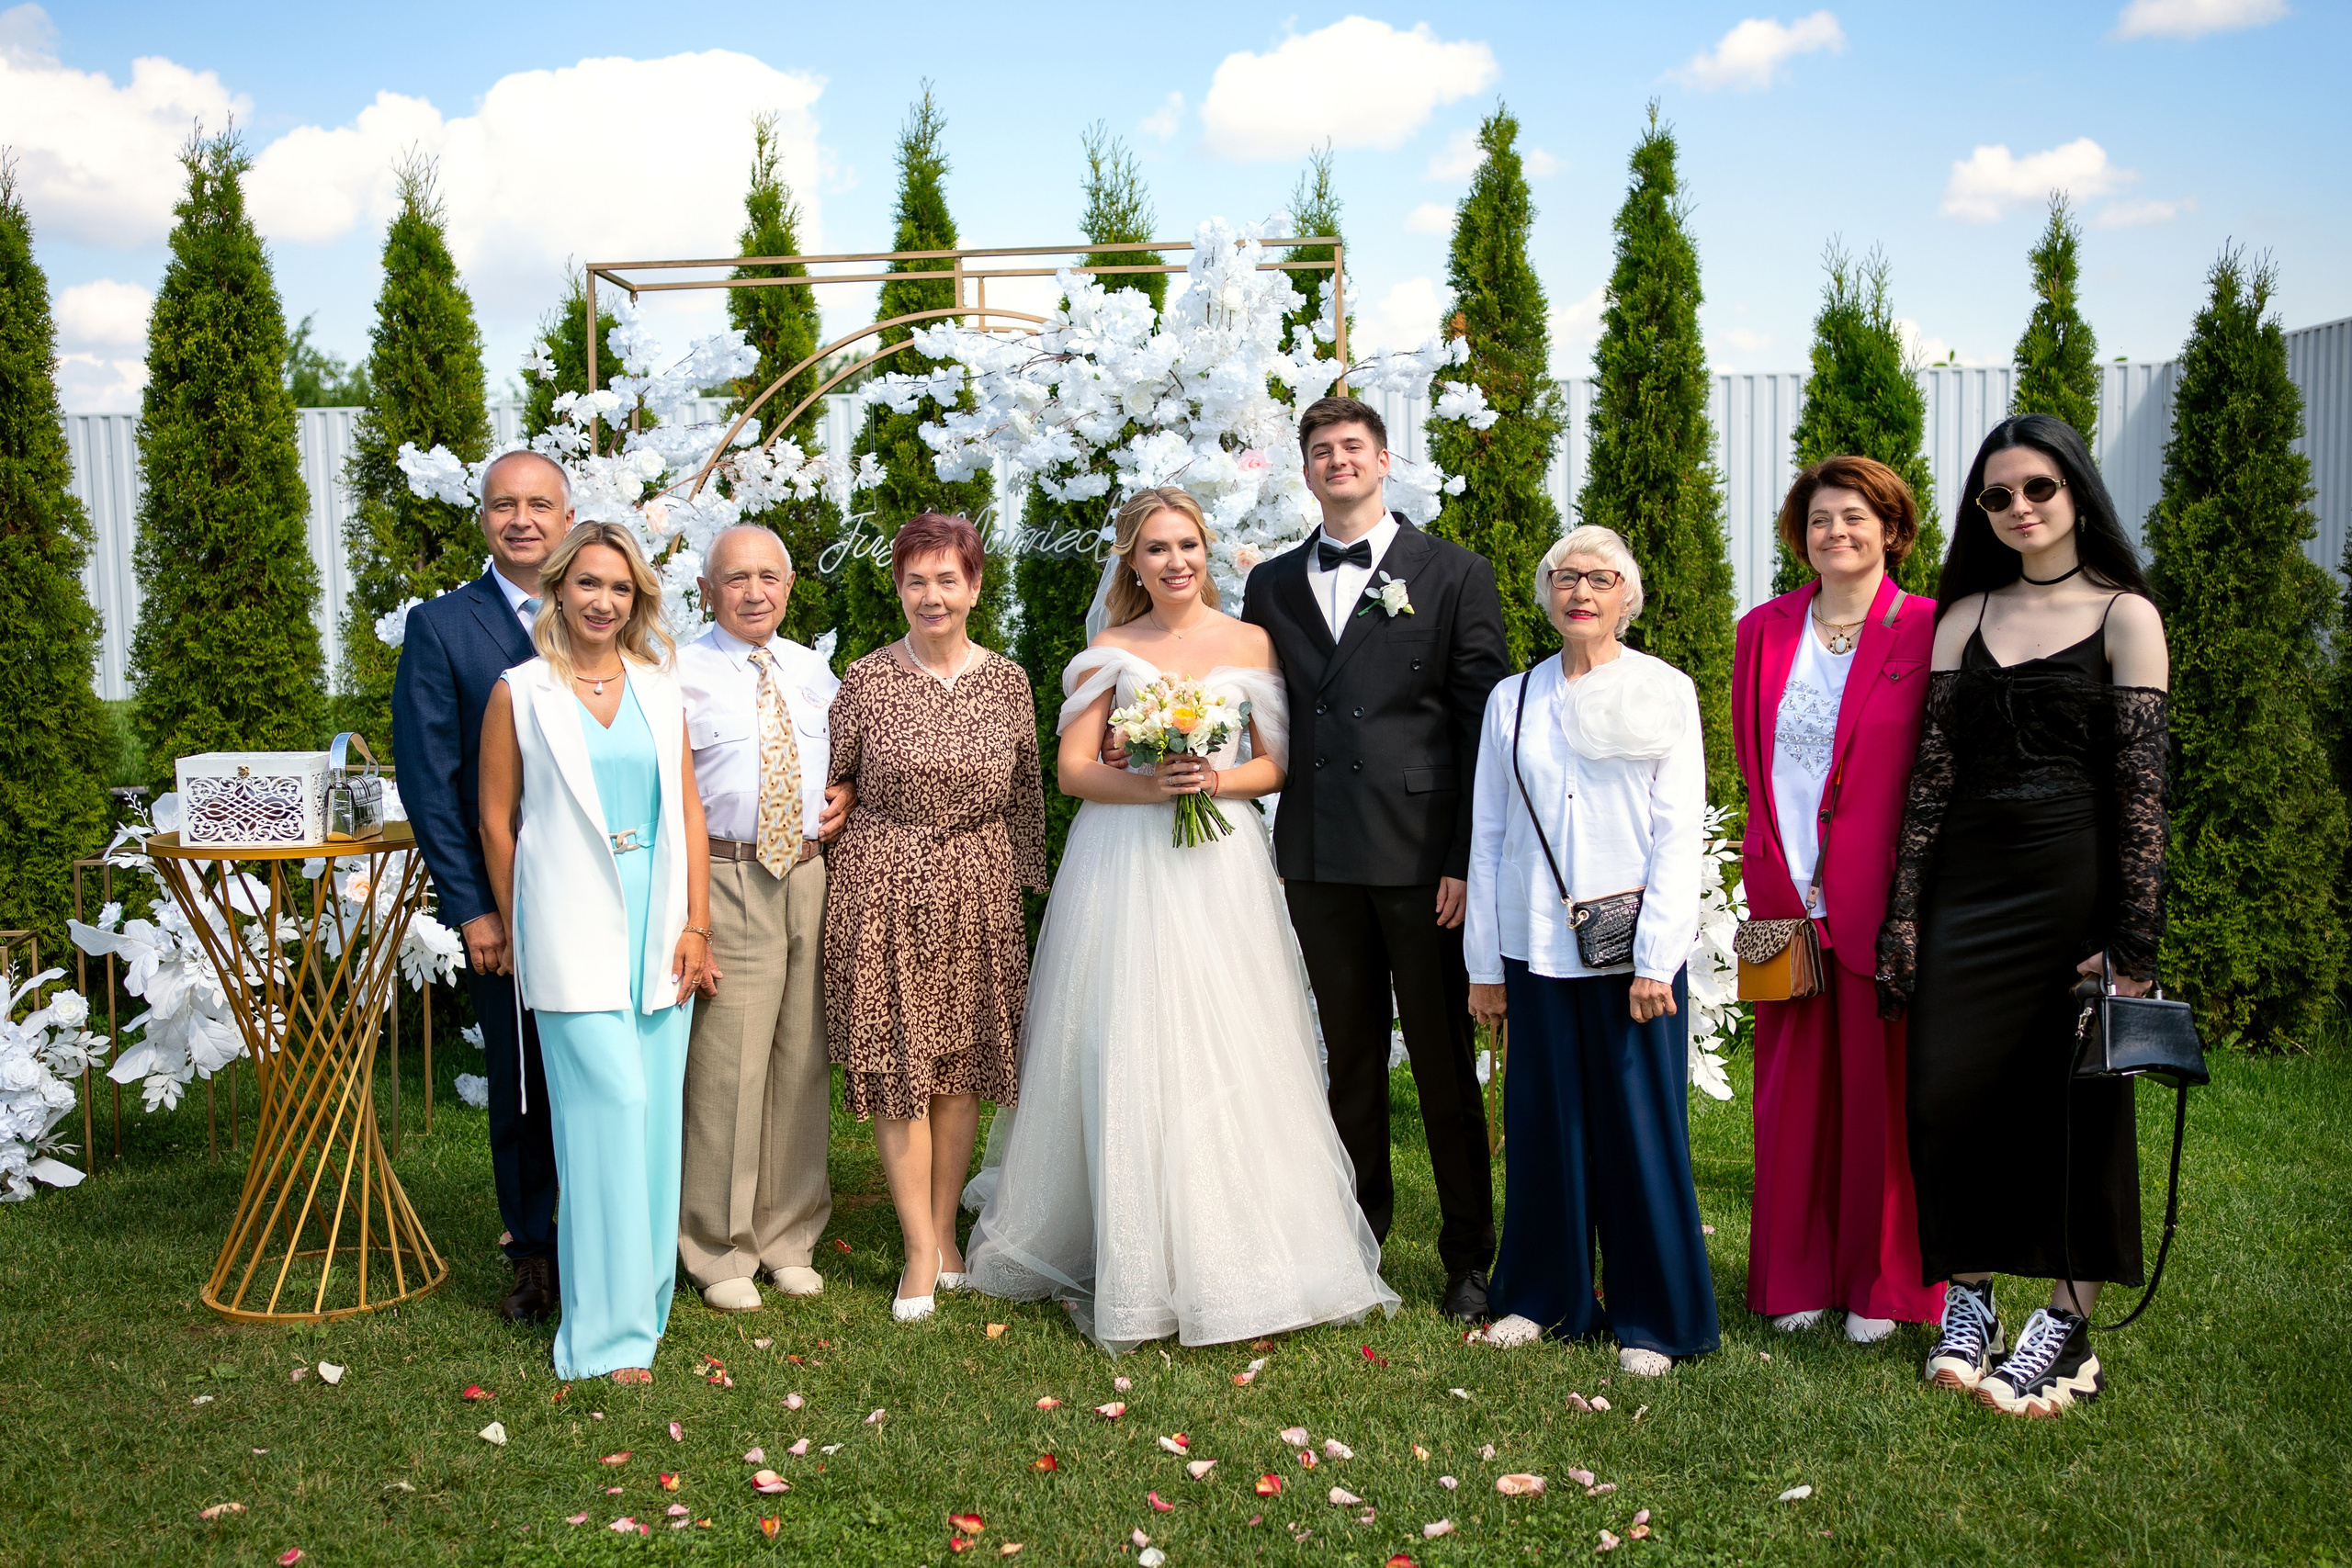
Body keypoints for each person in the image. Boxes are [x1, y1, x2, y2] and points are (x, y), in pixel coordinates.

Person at [962, 488, 1399, 1353]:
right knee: (1128, 1037)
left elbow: (1274, 765)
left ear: (1207, 550)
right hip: (1124, 861)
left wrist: (1209, 780)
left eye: (1188, 545)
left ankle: (1240, 1238)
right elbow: (1077, 769)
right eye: (1156, 549)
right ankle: (1132, 1246)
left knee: (1233, 1035)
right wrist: (1153, 783)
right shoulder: (1114, 647)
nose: (1175, 562)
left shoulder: (1250, 641)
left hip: (1219, 863)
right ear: (1132, 561)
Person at [1877, 413, 2170, 1418]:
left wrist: (2131, 949)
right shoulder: (1963, 616)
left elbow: (2141, 794)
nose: (2017, 510)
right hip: (1967, 887)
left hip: (2072, 889)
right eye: (1996, 496)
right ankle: (1968, 1301)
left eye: (2036, 488)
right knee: (1944, 1098)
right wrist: (1906, 917)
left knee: (2076, 1113)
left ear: (2076, 493)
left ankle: (2065, 1328)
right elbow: (1930, 781)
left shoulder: (2127, 616)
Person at [1239, 395, 1510, 1323]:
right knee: (1345, 1063)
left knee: (1442, 1069)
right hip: (1316, 857)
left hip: (1422, 862)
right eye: (1320, 450)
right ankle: (1355, 1245)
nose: (1336, 461)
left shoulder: (1452, 574)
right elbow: (1256, 706)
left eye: (1351, 446)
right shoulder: (1270, 584)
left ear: (1384, 461)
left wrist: (1466, 859)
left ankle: (1470, 1257)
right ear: (1305, 470)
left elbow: (1482, 729)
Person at [1466, 525, 1718, 1376]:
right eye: (1563, 577)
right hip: (1536, 944)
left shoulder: (1666, 689)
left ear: (1626, 594)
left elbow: (1679, 831)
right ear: (1546, 595)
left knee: (1638, 1129)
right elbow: (1490, 833)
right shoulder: (1514, 698)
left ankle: (1654, 1315)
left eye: (1600, 578)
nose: (1580, 591)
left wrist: (1657, 958)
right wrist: (1484, 965)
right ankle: (1542, 1294)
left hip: (1631, 955)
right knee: (1543, 1122)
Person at [477, 521, 718, 1383]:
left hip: (659, 924)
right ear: (558, 589)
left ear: (638, 599)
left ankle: (642, 1302)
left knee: (651, 1127)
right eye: (588, 585)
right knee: (605, 1114)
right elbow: (496, 823)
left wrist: (696, 924)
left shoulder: (660, 685)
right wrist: (516, 924)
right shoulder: (520, 691)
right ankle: (604, 1338)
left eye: (620, 589)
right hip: (569, 928)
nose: (603, 602)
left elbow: (687, 810)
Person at [1733, 456, 1945, 1345]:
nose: (1836, 534)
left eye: (1855, 518)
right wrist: (1774, 873)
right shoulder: (1761, 629)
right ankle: (1793, 1277)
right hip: (1781, 889)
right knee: (1786, 1097)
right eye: (1820, 520)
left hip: (1883, 903)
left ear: (1891, 529)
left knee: (1882, 1101)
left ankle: (1884, 1287)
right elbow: (1755, 762)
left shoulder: (1929, 628)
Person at [823, 513, 1048, 1324]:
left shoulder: (1008, 681)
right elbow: (833, 783)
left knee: (961, 1070)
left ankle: (949, 1226)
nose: (931, 595)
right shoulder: (866, 679)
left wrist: (1023, 887)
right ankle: (919, 1244)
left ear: (975, 586)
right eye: (915, 579)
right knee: (899, 1067)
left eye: (946, 578)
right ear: (898, 587)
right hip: (883, 886)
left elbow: (1025, 793)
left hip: (980, 889)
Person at [390, 449, 568, 1324]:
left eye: (540, 504)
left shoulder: (601, 610)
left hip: (610, 894)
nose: (522, 519)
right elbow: (432, 782)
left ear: (567, 519)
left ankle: (615, 1237)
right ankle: (534, 1250)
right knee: (524, 1078)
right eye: (504, 505)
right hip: (508, 899)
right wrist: (474, 908)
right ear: (484, 521)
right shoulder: (443, 627)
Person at [674, 526, 854, 1312]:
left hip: (808, 873)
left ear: (788, 586)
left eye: (769, 577)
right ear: (708, 589)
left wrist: (844, 794)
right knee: (727, 1068)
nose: (755, 592)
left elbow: (842, 767)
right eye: (736, 578)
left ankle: (789, 1236)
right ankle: (718, 1248)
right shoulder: (675, 672)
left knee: (800, 1057)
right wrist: (691, 918)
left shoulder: (816, 671)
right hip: (725, 873)